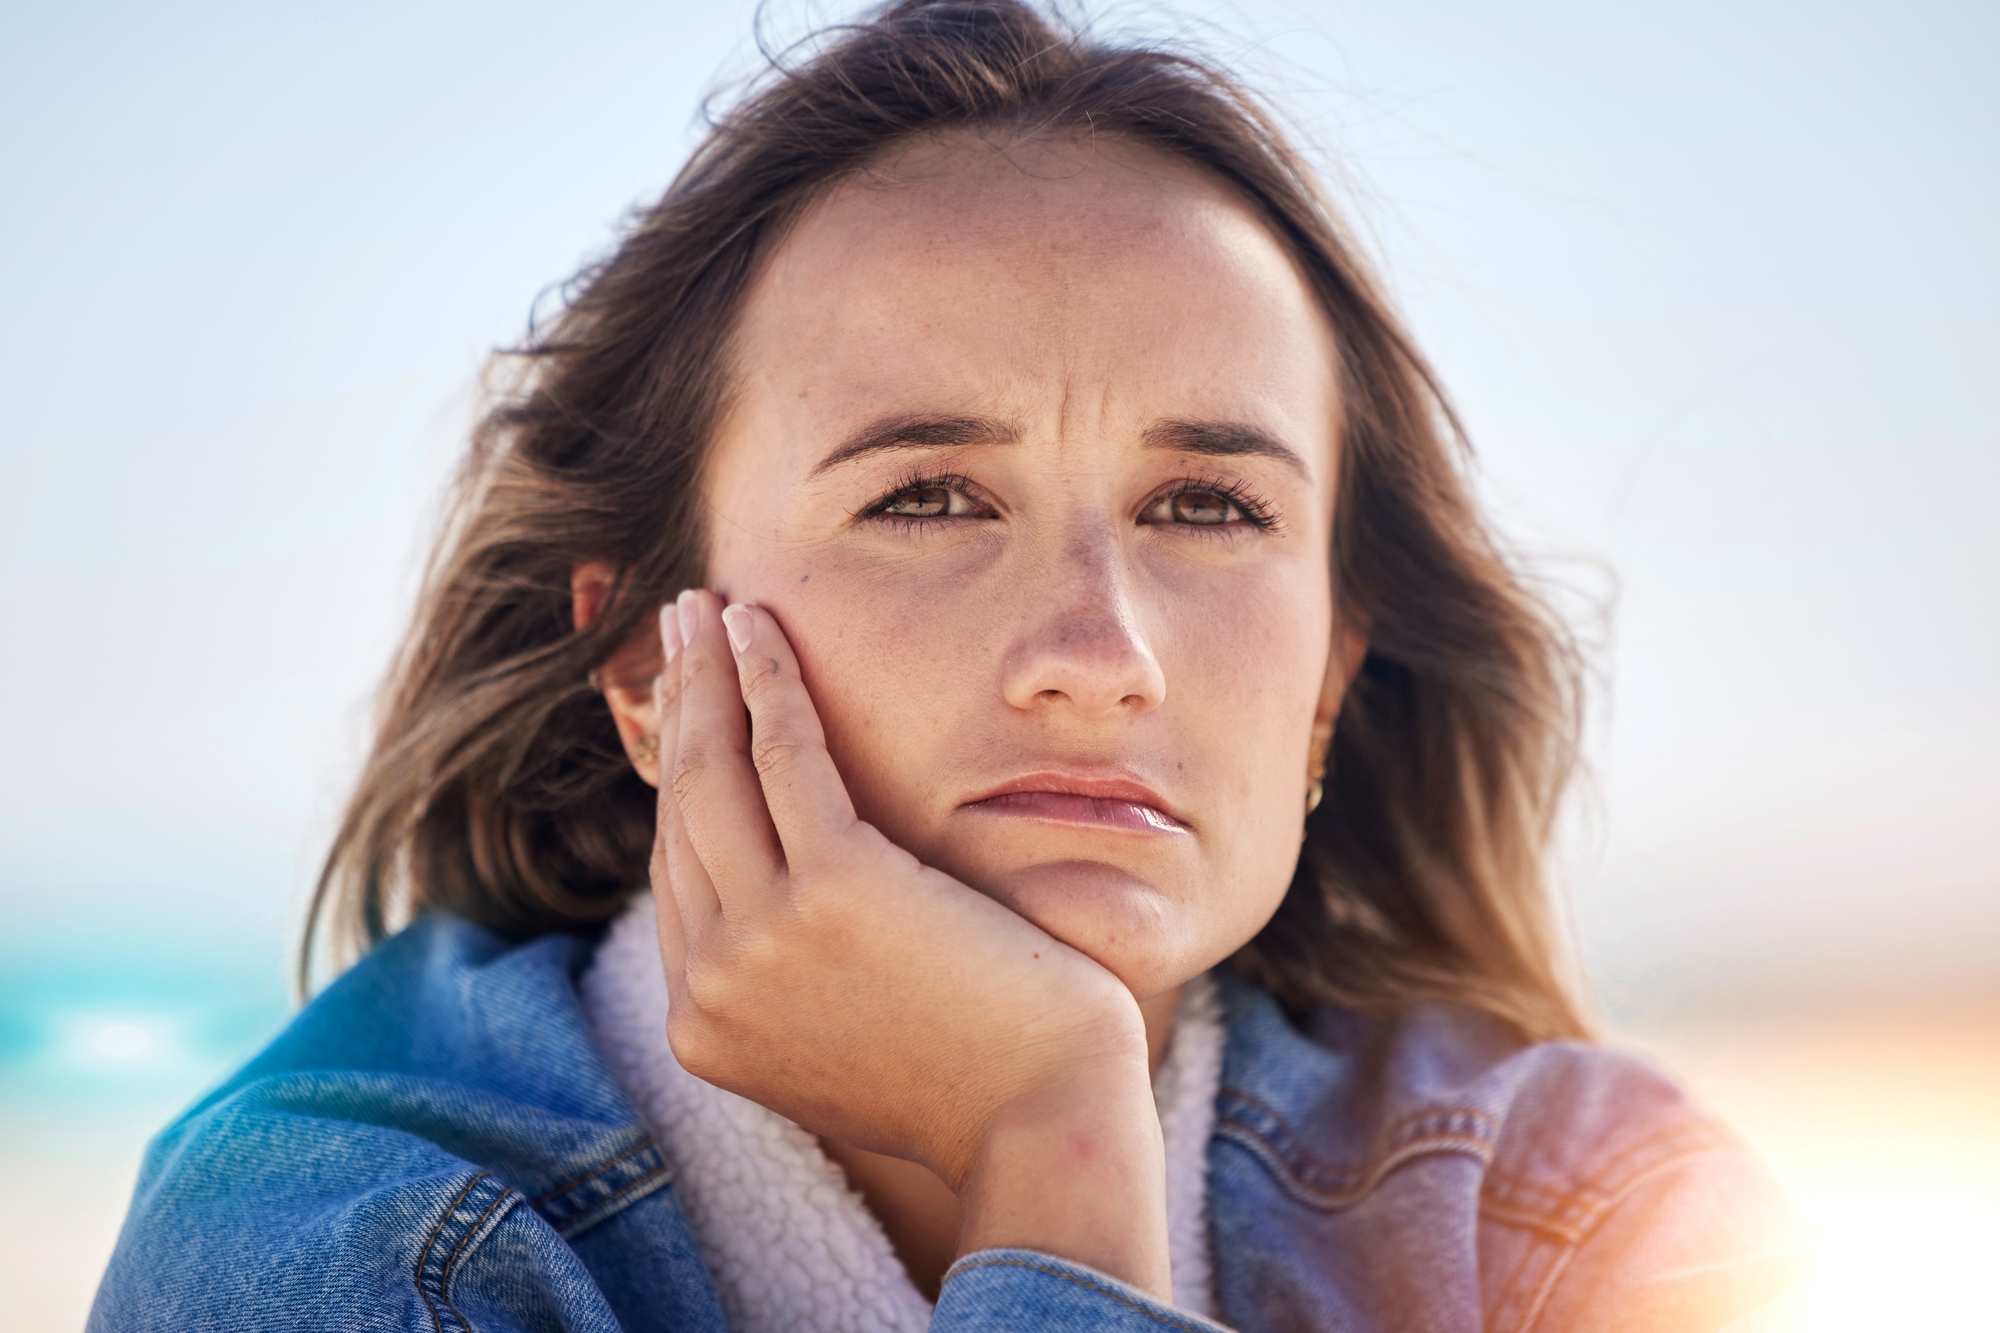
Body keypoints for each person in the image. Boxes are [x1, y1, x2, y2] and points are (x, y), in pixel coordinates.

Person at [90, 2, 1808, 1329]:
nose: (1098, 653)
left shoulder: (1581, 1210)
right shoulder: (337, 1242)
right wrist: (1057, 1157)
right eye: (927, 496)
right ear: (638, 660)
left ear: (1331, 679)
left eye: (1208, 505)